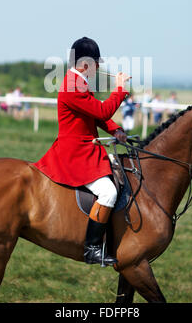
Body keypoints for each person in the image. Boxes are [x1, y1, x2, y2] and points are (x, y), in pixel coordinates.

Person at [34, 37, 130, 266]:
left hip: (84, 148)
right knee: (108, 192)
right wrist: (119, 90)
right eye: (97, 64)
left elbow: (94, 115)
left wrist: (115, 130)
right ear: (86, 65)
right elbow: (103, 110)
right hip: (74, 152)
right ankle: (92, 249)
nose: (98, 68)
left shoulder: (78, 83)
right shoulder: (72, 86)